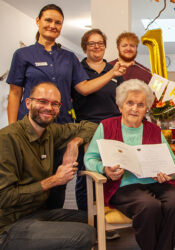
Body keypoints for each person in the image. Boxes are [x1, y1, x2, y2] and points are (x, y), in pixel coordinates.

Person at [6, 4, 126, 209]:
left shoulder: (69, 58)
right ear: (38, 21)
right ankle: (32, 226)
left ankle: (55, 222)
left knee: (60, 180)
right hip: (30, 128)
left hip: (61, 127)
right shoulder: (23, 55)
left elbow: (84, 88)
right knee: (31, 178)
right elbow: (15, 93)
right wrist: (12, 129)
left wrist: (112, 73)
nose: (52, 25)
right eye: (48, 20)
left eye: (57, 22)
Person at [84, 79, 175, 249]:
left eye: (140, 105)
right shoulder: (106, 126)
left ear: (146, 109)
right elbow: (89, 159)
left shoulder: (154, 129)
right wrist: (104, 169)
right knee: (149, 206)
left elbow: (172, 162)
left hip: (157, 183)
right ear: (120, 105)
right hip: (122, 186)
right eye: (130, 103)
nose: (134, 108)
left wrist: (167, 172)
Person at [0, 82, 97, 249]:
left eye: (54, 104)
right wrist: (54, 180)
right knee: (83, 234)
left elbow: (91, 126)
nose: (49, 108)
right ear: (28, 103)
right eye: (42, 101)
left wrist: (73, 144)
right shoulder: (7, 139)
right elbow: (4, 198)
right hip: (9, 224)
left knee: (95, 219)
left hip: (37, 213)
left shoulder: (50, 131)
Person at [72, 28, 124, 212]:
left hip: (112, 128)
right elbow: (83, 90)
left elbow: (122, 100)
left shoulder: (114, 70)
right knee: (86, 175)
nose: (96, 47)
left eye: (100, 43)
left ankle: (106, 219)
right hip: (87, 127)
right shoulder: (77, 69)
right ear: (85, 47)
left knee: (112, 172)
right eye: (91, 43)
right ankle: (87, 220)